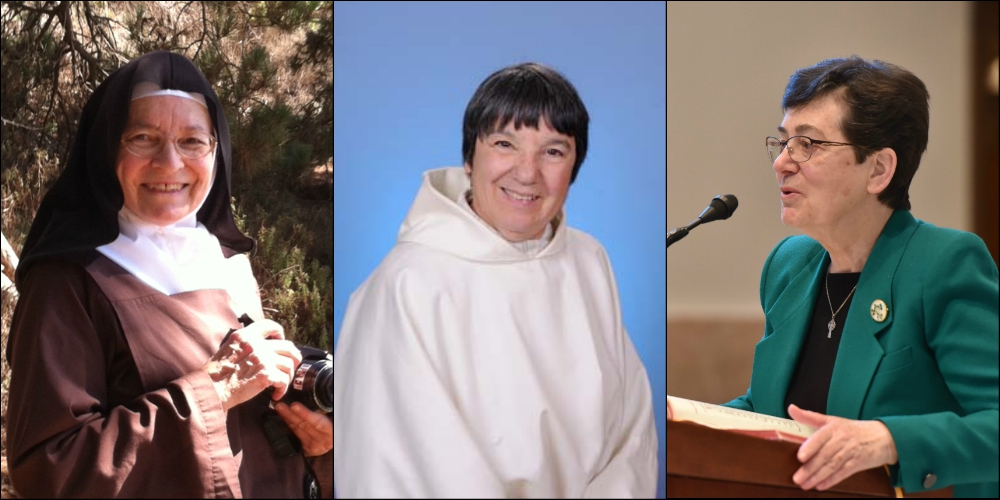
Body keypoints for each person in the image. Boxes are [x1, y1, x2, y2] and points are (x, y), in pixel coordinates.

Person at [4, 51, 333, 498]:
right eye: (143, 137)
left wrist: (318, 446)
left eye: (193, 141)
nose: (170, 163)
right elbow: (48, 470)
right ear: (106, 148)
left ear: (217, 152)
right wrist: (213, 389)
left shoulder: (228, 261)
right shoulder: (67, 282)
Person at [333, 62, 659, 498]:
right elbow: (403, 469)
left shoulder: (588, 260)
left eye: (554, 151)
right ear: (470, 157)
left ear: (575, 165)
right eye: (505, 144)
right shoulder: (407, 286)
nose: (527, 173)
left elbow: (631, 433)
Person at [722, 56, 999, 497]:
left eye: (808, 144)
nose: (782, 163)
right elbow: (768, 409)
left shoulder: (943, 264)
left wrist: (890, 441)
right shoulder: (788, 265)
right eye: (784, 141)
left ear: (879, 170)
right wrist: (682, 422)